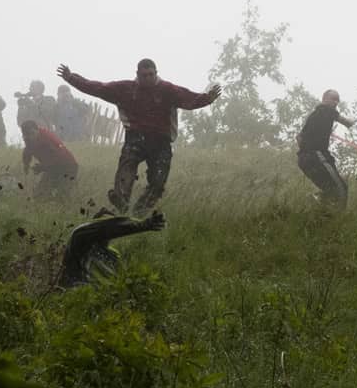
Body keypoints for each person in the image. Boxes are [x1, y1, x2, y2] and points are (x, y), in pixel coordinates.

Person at [57, 59, 222, 214]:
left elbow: (190, 100)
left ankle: (139, 213)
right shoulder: (125, 89)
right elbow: (97, 88)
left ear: (156, 73)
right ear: (137, 74)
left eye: (152, 74)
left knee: (158, 183)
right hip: (136, 137)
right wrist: (71, 78)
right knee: (126, 168)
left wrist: (208, 98)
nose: (149, 79)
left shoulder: (168, 90)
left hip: (161, 141)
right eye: (145, 75)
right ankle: (121, 201)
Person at [60, 210, 166, 288]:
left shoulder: (112, 255)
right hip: (72, 291)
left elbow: (119, 280)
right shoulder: (79, 237)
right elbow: (106, 228)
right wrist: (141, 225)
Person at [297, 89, 355, 209]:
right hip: (317, 156)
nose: (335, 102)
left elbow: (299, 138)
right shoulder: (327, 110)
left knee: (331, 190)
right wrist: (354, 120)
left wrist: (306, 150)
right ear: (324, 98)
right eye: (333, 98)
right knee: (341, 189)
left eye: (337, 101)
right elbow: (348, 122)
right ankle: (338, 219)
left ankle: (315, 205)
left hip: (303, 160)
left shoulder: (313, 115)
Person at [21, 120, 79, 200]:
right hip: (52, 169)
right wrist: (26, 165)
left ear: (37, 129)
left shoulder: (47, 137)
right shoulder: (28, 140)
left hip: (68, 167)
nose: (31, 137)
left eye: (32, 133)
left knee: (62, 196)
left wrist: (42, 167)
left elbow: (59, 155)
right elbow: (27, 152)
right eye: (27, 135)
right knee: (39, 195)